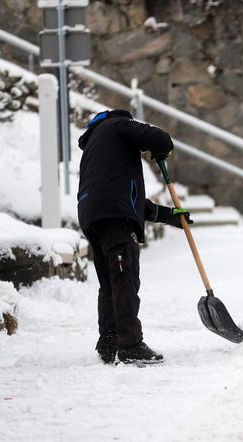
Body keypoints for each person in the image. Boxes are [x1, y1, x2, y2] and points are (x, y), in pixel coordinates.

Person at [77, 109, 192, 365]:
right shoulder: (117, 125)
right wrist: (161, 149)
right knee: (124, 278)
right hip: (114, 216)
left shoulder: (97, 145)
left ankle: (109, 343)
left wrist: (170, 216)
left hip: (93, 215)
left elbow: (129, 198)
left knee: (110, 282)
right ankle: (130, 344)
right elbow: (159, 138)